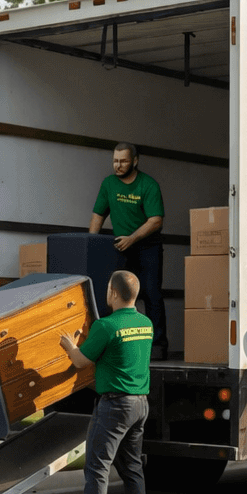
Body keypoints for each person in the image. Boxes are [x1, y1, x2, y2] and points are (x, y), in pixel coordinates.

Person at [53, 270, 152, 494]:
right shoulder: (146, 323)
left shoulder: (106, 326)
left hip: (114, 405)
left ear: (114, 294)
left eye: (108, 289)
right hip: (140, 403)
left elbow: (81, 362)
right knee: (133, 468)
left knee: (97, 468)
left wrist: (69, 345)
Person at [89, 142, 168, 360]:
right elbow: (98, 215)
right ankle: (117, 344)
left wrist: (132, 238)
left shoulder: (148, 185)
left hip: (146, 248)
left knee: (151, 295)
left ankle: (157, 346)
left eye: (123, 161)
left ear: (135, 161)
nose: (118, 165)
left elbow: (156, 220)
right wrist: (92, 243)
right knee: (115, 296)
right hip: (120, 248)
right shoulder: (108, 184)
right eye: (115, 161)